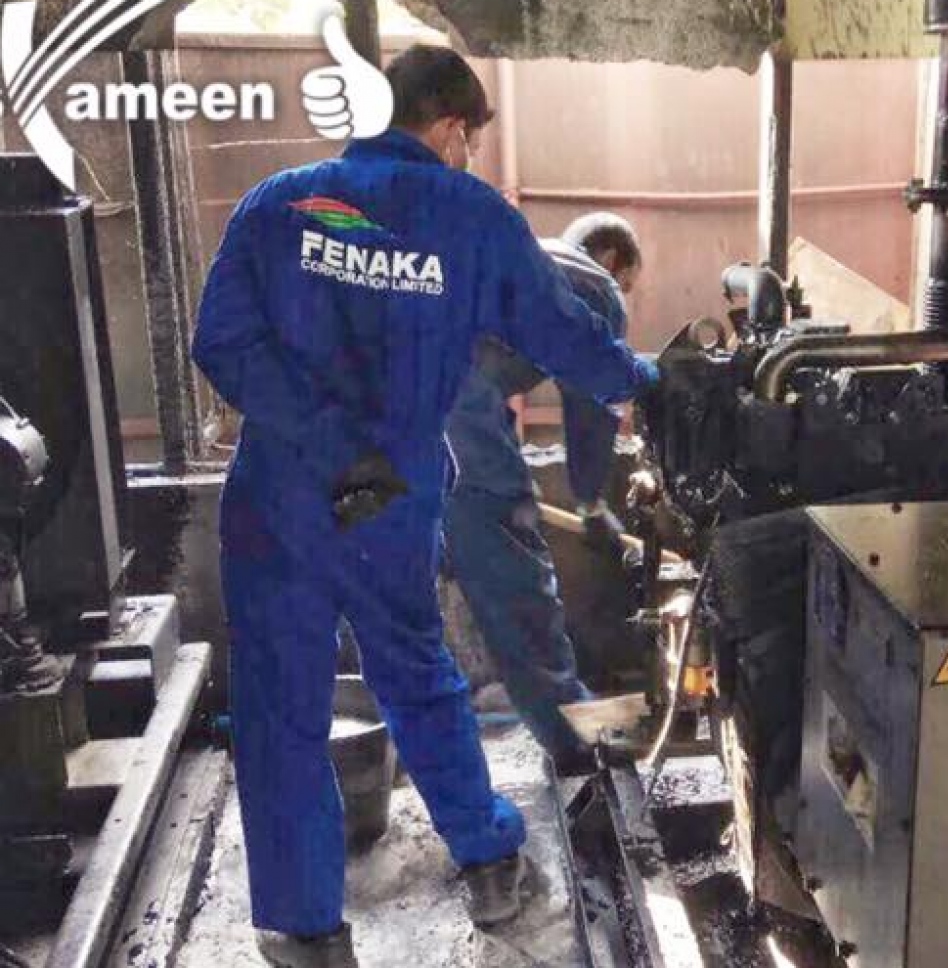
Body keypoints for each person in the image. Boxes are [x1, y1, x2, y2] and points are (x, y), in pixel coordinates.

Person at [191, 45, 656, 968]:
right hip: (386, 497)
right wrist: (650, 382)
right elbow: (563, 334)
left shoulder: (277, 202)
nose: (467, 156)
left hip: (276, 493)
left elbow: (221, 342)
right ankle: (486, 858)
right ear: (448, 130)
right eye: (468, 140)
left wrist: (322, 439)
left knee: (280, 704)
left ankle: (307, 931)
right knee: (413, 671)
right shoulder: (470, 216)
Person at [444, 213, 642, 775]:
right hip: (453, 411)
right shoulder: (596, 287)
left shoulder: (525, 256)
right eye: (629, 283)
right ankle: (575, 737)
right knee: (517, 575)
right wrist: (591, 502)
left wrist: (504, 454)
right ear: (612, 261)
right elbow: (591, 401)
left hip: (396, 404)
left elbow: (488, 364)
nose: (624, 296)